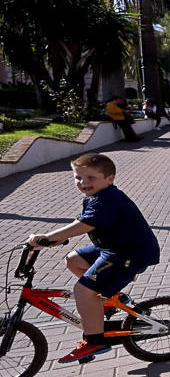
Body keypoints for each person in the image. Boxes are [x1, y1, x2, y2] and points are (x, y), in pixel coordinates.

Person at [26, 153, 161, 363]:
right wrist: (57, 240)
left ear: (110, 178)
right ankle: (111, 297)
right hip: (113, 248)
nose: (83, 183)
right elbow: (82, 220)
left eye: (90, 178)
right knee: (73, 259)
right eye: (78, 177)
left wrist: (50, 236)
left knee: (82, 290)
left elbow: (85, 225)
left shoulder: (109, 198)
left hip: (129, 253)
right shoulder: (95, 197)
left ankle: (95, 341)